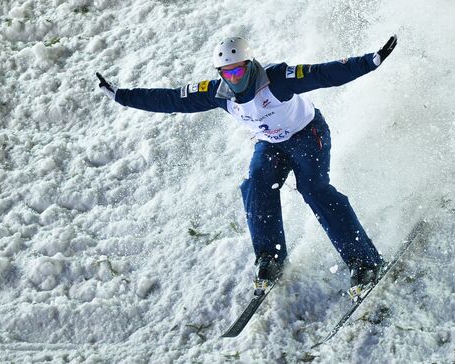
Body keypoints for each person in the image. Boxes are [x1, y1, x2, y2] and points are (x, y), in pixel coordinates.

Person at [96, 35, 398, 299]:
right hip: (270, 143)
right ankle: (271, 257)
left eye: (239, 69)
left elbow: (323, 73)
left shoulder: (278, 79)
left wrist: (369, 62)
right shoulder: (217, 93)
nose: (235, 78)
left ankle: (365, 262)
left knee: (314, 189)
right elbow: (173, 98)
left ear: (251, 64)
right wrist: (123, 97)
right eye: (227, 73)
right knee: (255, 184)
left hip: (308, 135)